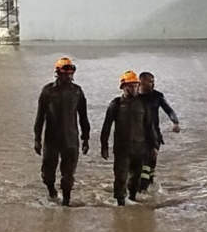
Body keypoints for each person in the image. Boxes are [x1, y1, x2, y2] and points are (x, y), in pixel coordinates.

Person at [34, 57, 91, 206]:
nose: (69, 76)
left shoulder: (77, 92)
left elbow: (83, 116)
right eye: (65, 73)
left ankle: (66, 202)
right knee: (47, 175)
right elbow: (40, 116)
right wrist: (37, 139)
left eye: (71, 73)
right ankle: (52, 191)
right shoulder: (47, 91)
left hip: (70, 140)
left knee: (68, 175)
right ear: (58, 73)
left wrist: (86, 138)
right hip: (51, 140)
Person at [100, 71, 158, 206]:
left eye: (135, 86)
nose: (134, 89)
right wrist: (104, 146)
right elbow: (106, 126)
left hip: (139, 147)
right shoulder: (116, 104)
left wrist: (154, 145)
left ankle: (132, 201)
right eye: (130, 86)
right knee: (120, 178)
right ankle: (120, 205)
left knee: (135, 178)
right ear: (123, 87)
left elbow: (150, 127)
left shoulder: (143, 104)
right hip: (121, 148)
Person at [138, 71, 180, 193]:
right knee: (144, 163)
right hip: (139, 134)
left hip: (155, 134)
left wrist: (175, 122)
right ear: (141, 82)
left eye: (153, 82)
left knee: (151, 163)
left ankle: (149, 187)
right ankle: (142, 189)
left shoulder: (157, 96)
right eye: (150, 82)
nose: (153, 84)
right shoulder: (134, 97)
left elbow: (169, 110)